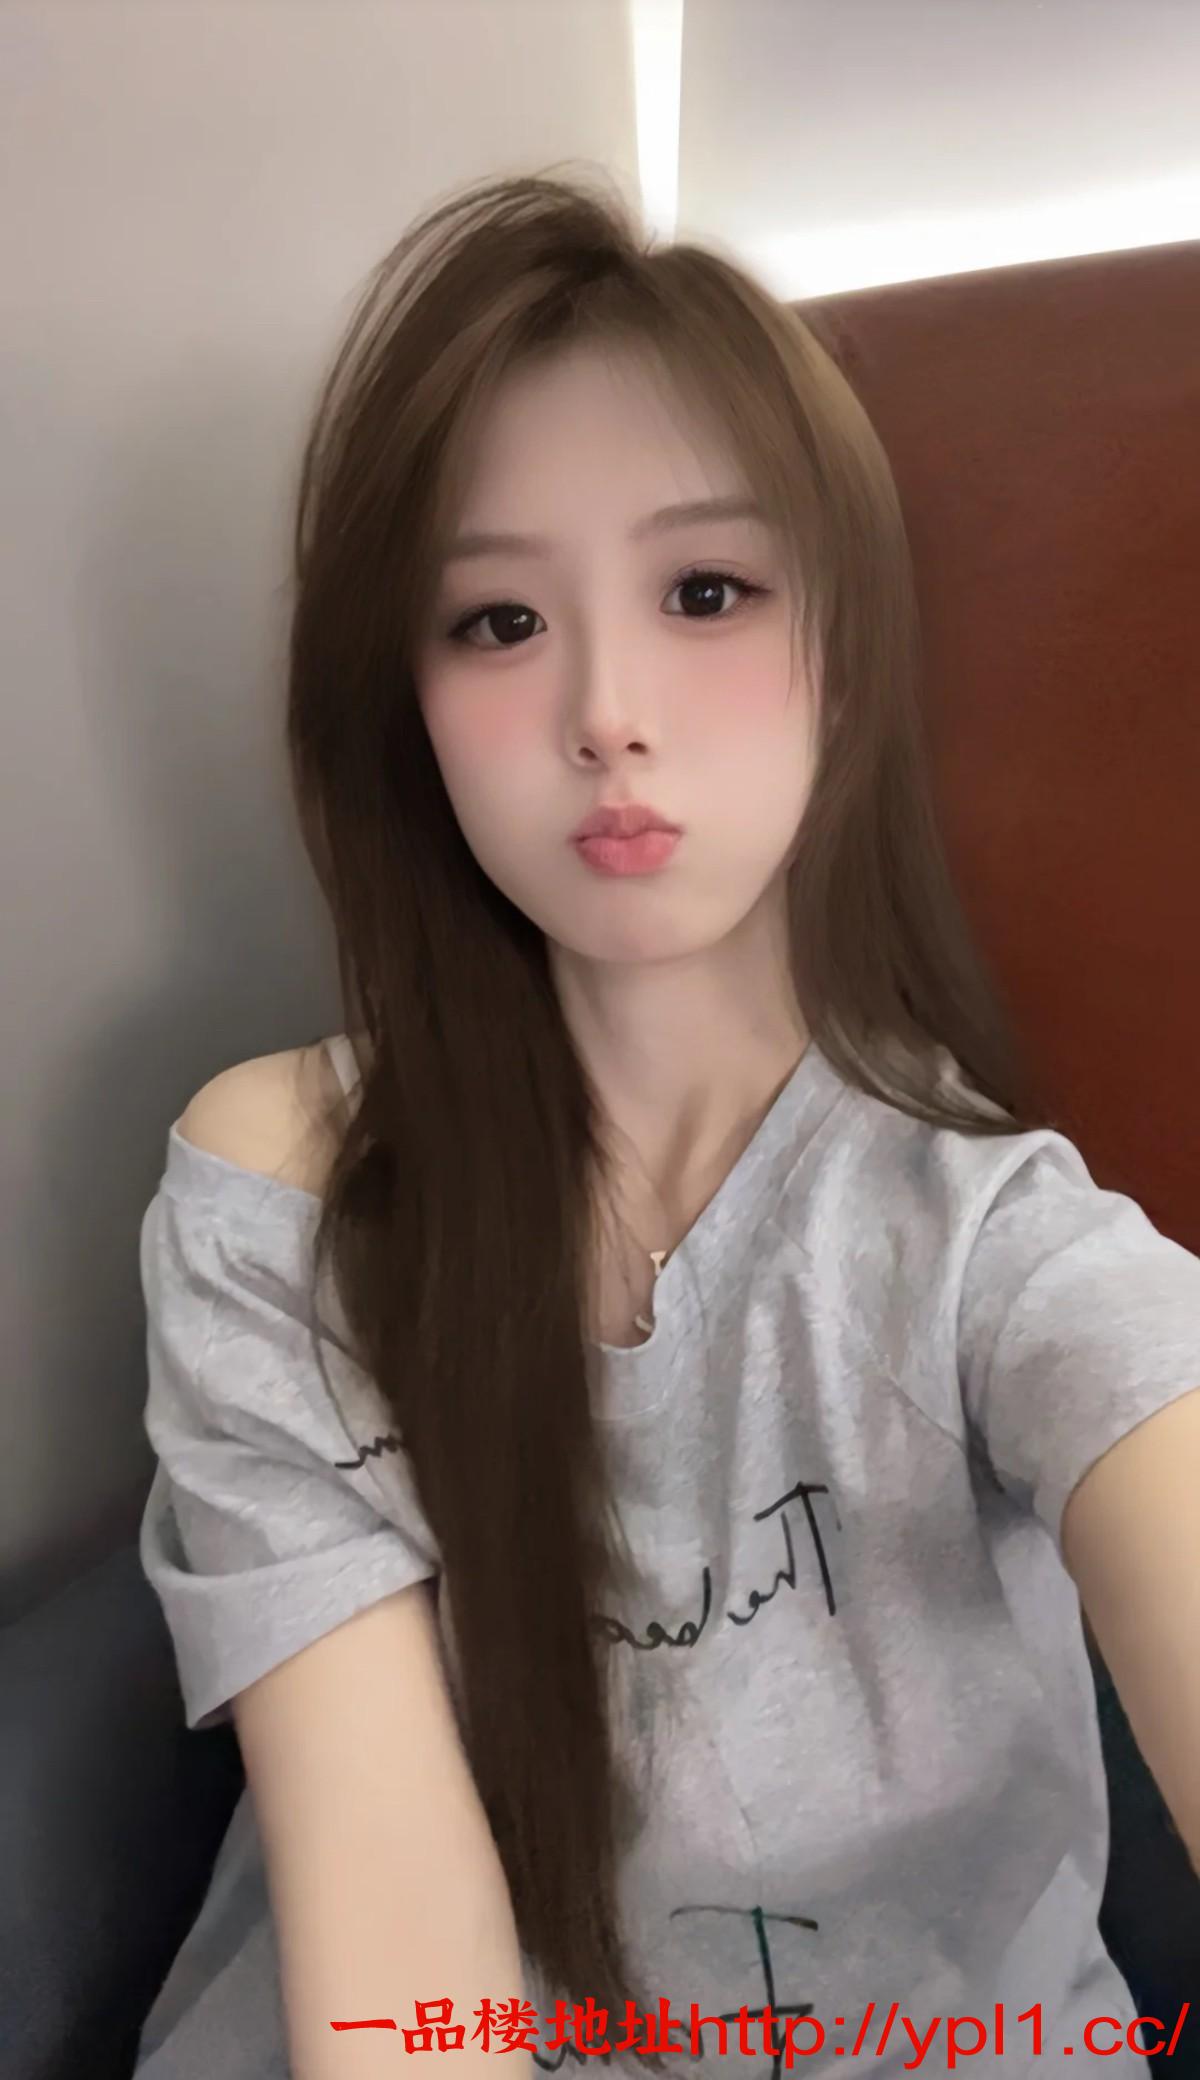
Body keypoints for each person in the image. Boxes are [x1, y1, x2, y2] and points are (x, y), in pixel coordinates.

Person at [134, 167, 1200, 2080]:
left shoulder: (989, 1248)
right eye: (496, 620)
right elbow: (400, 1968)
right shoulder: (286, 1195)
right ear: (405, 706)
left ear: (845, 655)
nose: (607, 712)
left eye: (707, 592)